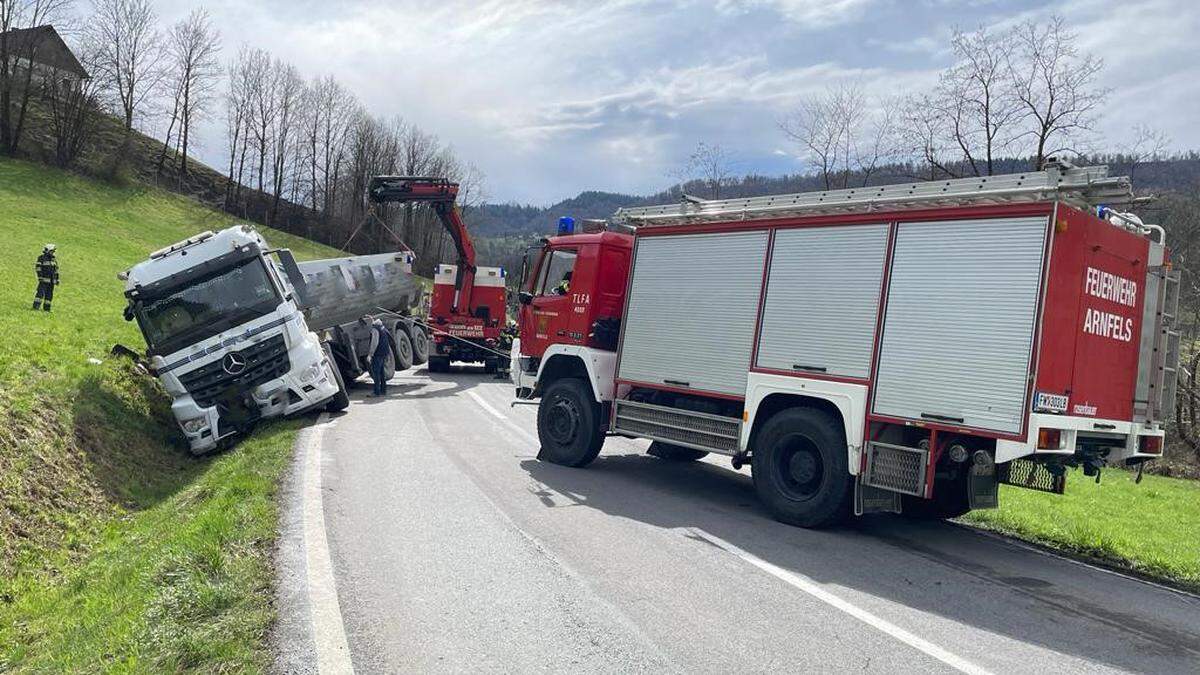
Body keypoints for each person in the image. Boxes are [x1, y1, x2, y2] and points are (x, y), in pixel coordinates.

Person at [366, 317, 391, 396]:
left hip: (378, 354)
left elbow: (374, 342)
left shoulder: (375, 329)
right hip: (384, 353)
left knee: (376, 373)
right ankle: (383, 390)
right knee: (382, 372)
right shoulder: (382, 327)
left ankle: (376, 392)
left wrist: (370, 354)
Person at [32, 244, 59, 312]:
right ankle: (36, 307)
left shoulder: (54, 259)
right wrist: (40, 277)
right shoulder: (41, 258)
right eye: (52, 251)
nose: (53, 253)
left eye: (53, 251)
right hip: (43, 280)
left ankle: (47, 309)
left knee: (49, 295)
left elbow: (56, 270)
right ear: (48, 250)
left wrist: (57, 279)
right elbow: (38, 268)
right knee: (40, 294)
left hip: (51, 282)